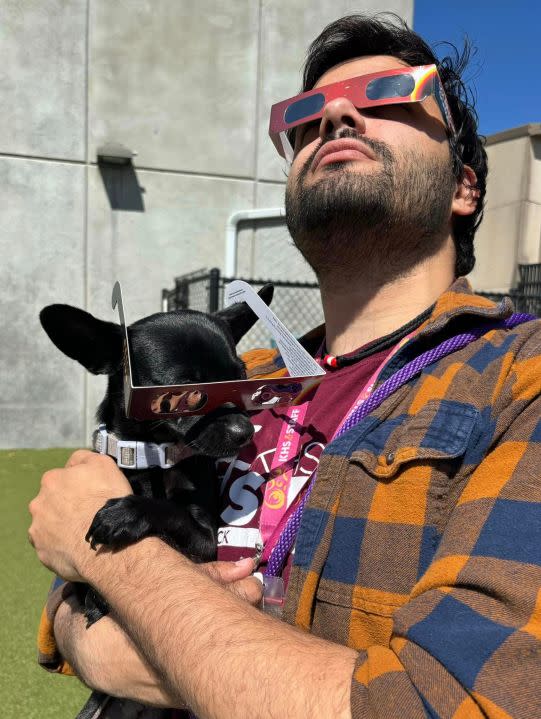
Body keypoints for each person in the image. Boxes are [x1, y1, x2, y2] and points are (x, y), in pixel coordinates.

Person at [29, 13, 541, 719]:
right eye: (303, 116)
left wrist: (134, 604)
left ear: (463, 185)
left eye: (390, 92)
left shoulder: (519, 376)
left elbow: (442, 703)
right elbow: (81, 543)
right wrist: (77, 629)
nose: (335, 111)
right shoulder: (246, 375)